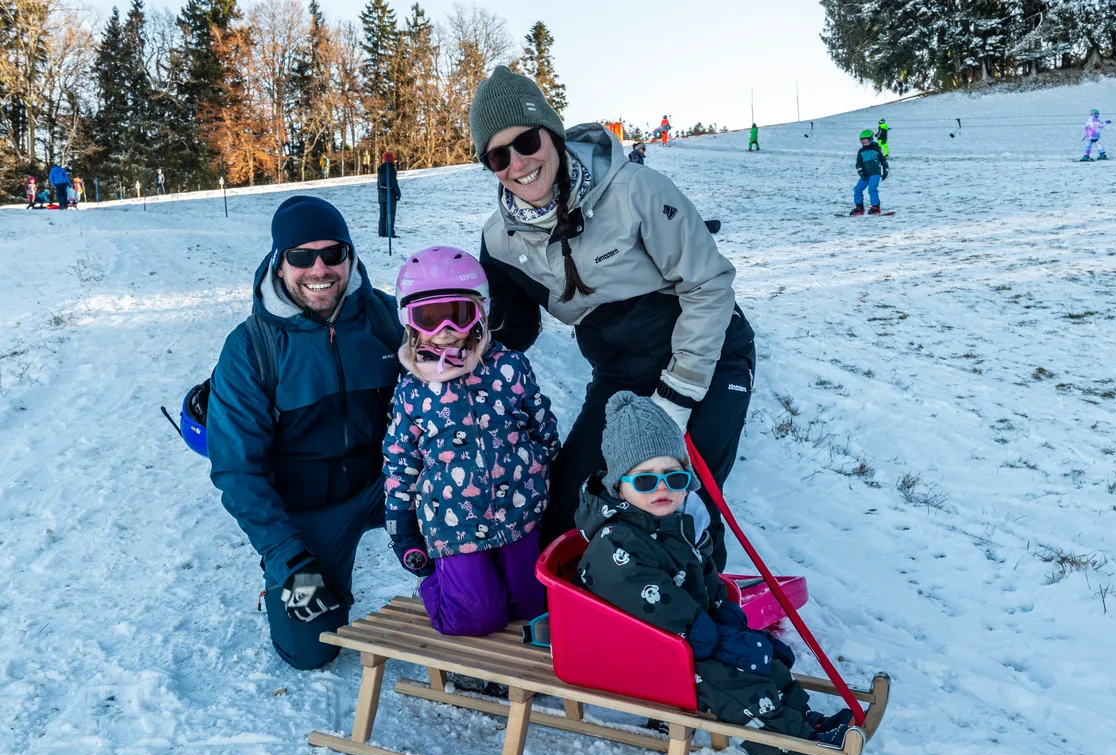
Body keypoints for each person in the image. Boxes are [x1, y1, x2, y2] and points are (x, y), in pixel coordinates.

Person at [470, 66, 755, 570]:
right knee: (567, 505)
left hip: (708, 358)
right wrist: (460, 342)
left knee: (681, 503)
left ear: (552, 135)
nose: (519, 163)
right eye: (498, 155)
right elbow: (517, 330)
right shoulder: (500, 241)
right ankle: (581, 613)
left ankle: (695, 622)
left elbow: (708, 284)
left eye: (528, 141)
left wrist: (679, 393)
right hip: (620, 374)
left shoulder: (635, 190)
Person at [575, 392, 854, 755]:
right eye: (646, 479)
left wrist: (728, 620)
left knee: (766, 658)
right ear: (619, 485)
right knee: (729, 681)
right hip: (642, 651)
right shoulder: (618, 544)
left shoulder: (675, 524)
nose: (662, 489)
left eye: (675, 477)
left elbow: (704, 582)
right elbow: (655, 606)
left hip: (681, 639)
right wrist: (717, 639)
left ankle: (802, 723)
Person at [206, 196, 401, 670]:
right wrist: (288, 557)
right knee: (311, 652)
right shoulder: (251, 348)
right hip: (308, 507)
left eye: (333, 253)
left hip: (388, 484)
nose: (320, 268)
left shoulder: (386, 319)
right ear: (279, 264)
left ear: (350, 257)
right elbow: (237, 470)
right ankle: (281, 577)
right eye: (300, 256)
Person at [383, 246, 560, 636]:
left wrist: (548, 473)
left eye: (457, 314)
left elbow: (541, 424)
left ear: (480, 312)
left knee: (531, 604)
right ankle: (436, 587)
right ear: (408, 321)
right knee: (478, 616)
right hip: (454, 525)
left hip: (519, 511)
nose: (443, 330)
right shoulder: (413, 389)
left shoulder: (509, 367)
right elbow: (400, 458)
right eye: (427, 318)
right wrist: (399, 518)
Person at [850, 129, 888, 216]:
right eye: (862, 141)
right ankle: (859, 208)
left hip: (875, 173)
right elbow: (858, 163)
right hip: (865, 175)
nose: (864, 143)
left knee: (872, 189)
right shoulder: (861, 151)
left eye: (866, 140)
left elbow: (883, 160)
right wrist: (861, 172)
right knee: (857, 189)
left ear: (871, 139)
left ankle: (875, 207)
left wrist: (886, 170)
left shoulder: (876, 149)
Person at [377, 152, 401, 239]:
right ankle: (390, 233)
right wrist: (398, 193)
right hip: (390, 195)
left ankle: (382, 232)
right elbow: (394, 182)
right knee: (390, 215)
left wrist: (380, 195)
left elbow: (378, 184)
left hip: (381, 195)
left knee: (382, 215)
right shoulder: (391, 169)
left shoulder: (380, 169)